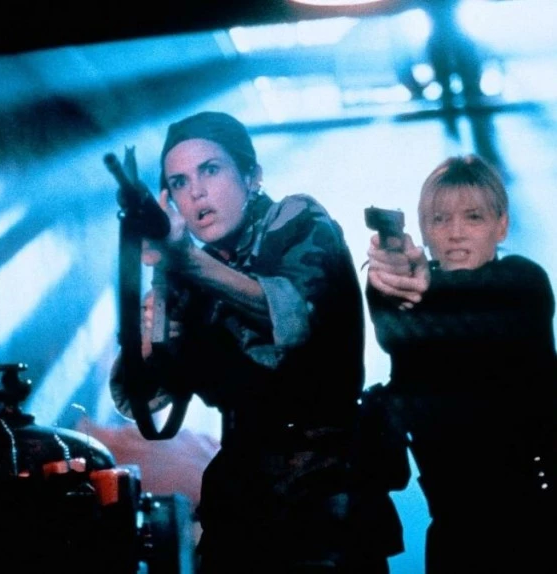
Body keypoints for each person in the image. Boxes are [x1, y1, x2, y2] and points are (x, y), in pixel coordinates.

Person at [110, 111, 404, 573]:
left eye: (210, 170)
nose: (197, 192)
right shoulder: (186, 271)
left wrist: (187, 263)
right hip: (242, 499)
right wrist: (151, 333)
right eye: (180, 182)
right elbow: (142, 402)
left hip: (326, 495)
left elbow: (292, 316)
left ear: (252, 176)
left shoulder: (297, 219)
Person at [365, 154, 557, 573]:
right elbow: (391, 327)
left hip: (538, 524)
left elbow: (478, 298)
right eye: (439, 219)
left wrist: (422, 281)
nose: (455, 233)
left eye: (473, 217)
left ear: (501, 226)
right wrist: (385, 278)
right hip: (455, 532)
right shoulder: (417, 302)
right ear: (424, 232)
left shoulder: (523, 282)